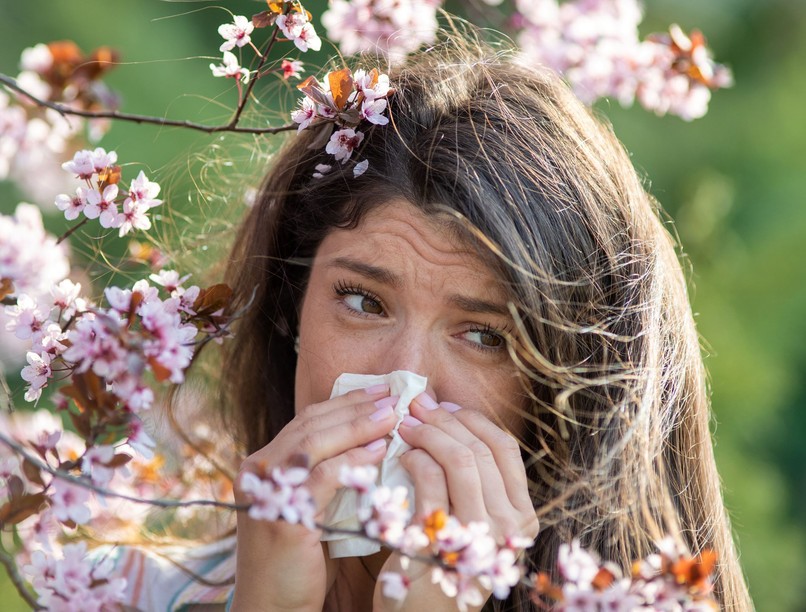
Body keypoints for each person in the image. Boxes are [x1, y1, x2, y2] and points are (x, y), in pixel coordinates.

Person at [216, 35, 753, 611]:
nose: (405, 382)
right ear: (291, 306)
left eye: (483, 337)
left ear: (567, 393)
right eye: (365, 303)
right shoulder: (145, 584)